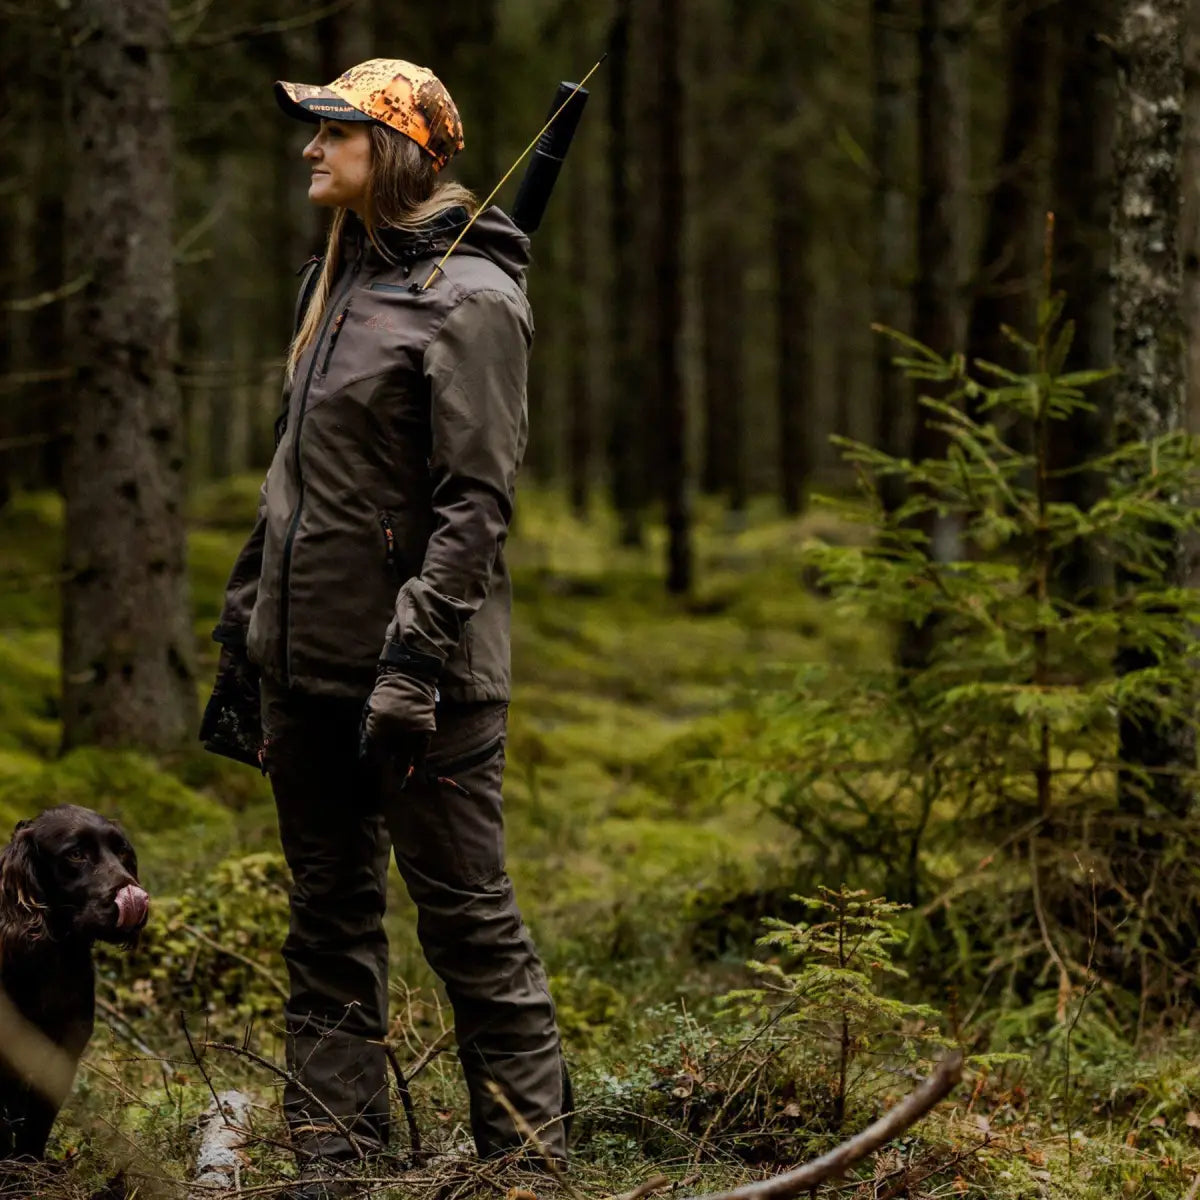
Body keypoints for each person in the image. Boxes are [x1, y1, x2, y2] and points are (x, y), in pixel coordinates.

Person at [203, 58, 569, 1200]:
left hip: (427, 689)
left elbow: (476, 510)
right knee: (326, 934)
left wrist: (412, 665)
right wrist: (244, 645)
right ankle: (333, 1164)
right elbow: (292, 488)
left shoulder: (475, 302)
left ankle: (528, 1171)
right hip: (305, 673)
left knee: (469, 931)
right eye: (314, 131)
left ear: (394, 147)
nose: (311, 150)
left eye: (333, 132)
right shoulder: (339, 285)